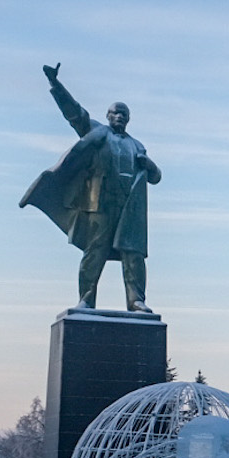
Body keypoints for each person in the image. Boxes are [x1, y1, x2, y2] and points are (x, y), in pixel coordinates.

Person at [19, 64, 162, 312]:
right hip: (100, 206)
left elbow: (156, 176)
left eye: (124, 114)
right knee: (94, 253)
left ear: (129, 119)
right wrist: (56, 85)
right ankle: (86, 299)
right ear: (107, 116)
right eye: (115, 113)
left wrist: (149, 164)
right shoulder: (96, 133)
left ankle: (136, 300)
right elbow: (74, 113)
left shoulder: (137, 146)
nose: (119, 117)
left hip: (129, 211)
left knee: (134, 257)